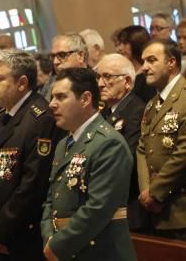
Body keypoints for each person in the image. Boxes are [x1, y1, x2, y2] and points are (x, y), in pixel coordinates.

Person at [42, 68, 137, 261]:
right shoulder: (64, 144)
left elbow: (98, 208)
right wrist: (49, 238)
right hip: (67, 249)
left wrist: (59, 244)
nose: (52, 104)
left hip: (100, 251)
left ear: (85, 99)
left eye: (61, 97)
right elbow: (51, 199)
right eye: (53, 97)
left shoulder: (108, 143)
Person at [0, 50, 61, 261]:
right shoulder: (1, 116)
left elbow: (32, 186)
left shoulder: (40, 119)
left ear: (22, 83)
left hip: (22, 237)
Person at [136, 40, 186, 237]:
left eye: (152, 60)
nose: (144, 68)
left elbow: (184, 152)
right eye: (143, 61)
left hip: (183, 211)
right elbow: (142, 150)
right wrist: (146, 191)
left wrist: (155, 193)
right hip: (156, 212)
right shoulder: (151, 104)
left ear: (171, 62)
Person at [96, 53, 146, 230]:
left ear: (127, 82)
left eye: (107, 77)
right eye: (99, 77)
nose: (100, 84)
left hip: (128, 205)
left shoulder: (135, 111)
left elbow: (127, 160)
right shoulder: (104, 114)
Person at [115, 26, 157, 103]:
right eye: (120, 43)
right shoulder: (123, 74)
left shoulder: (147, 75)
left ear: (136, 43)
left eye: (125, 43)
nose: (120, 48)